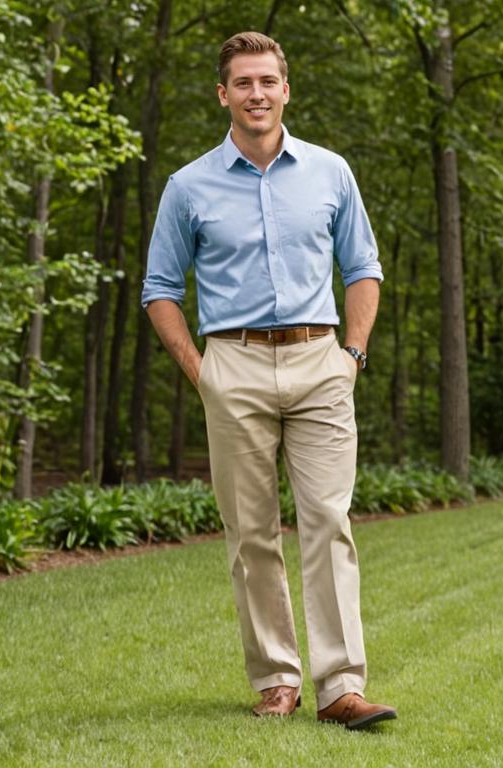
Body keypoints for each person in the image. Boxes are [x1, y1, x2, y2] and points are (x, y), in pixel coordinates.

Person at [141, 31, 396, 730]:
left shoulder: (330, 172)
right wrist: (203, 374)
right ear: (223, 94)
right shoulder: (188, 186)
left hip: (320, 363)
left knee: (328, 522)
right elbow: (159, 288)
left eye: (267, 81)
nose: (257, 94)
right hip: (235, 364)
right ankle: (276, 681)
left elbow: (363, 267)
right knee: (251, 531)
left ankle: (341, 687)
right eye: (243, 83)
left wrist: (352, 355)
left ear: (287, 89)